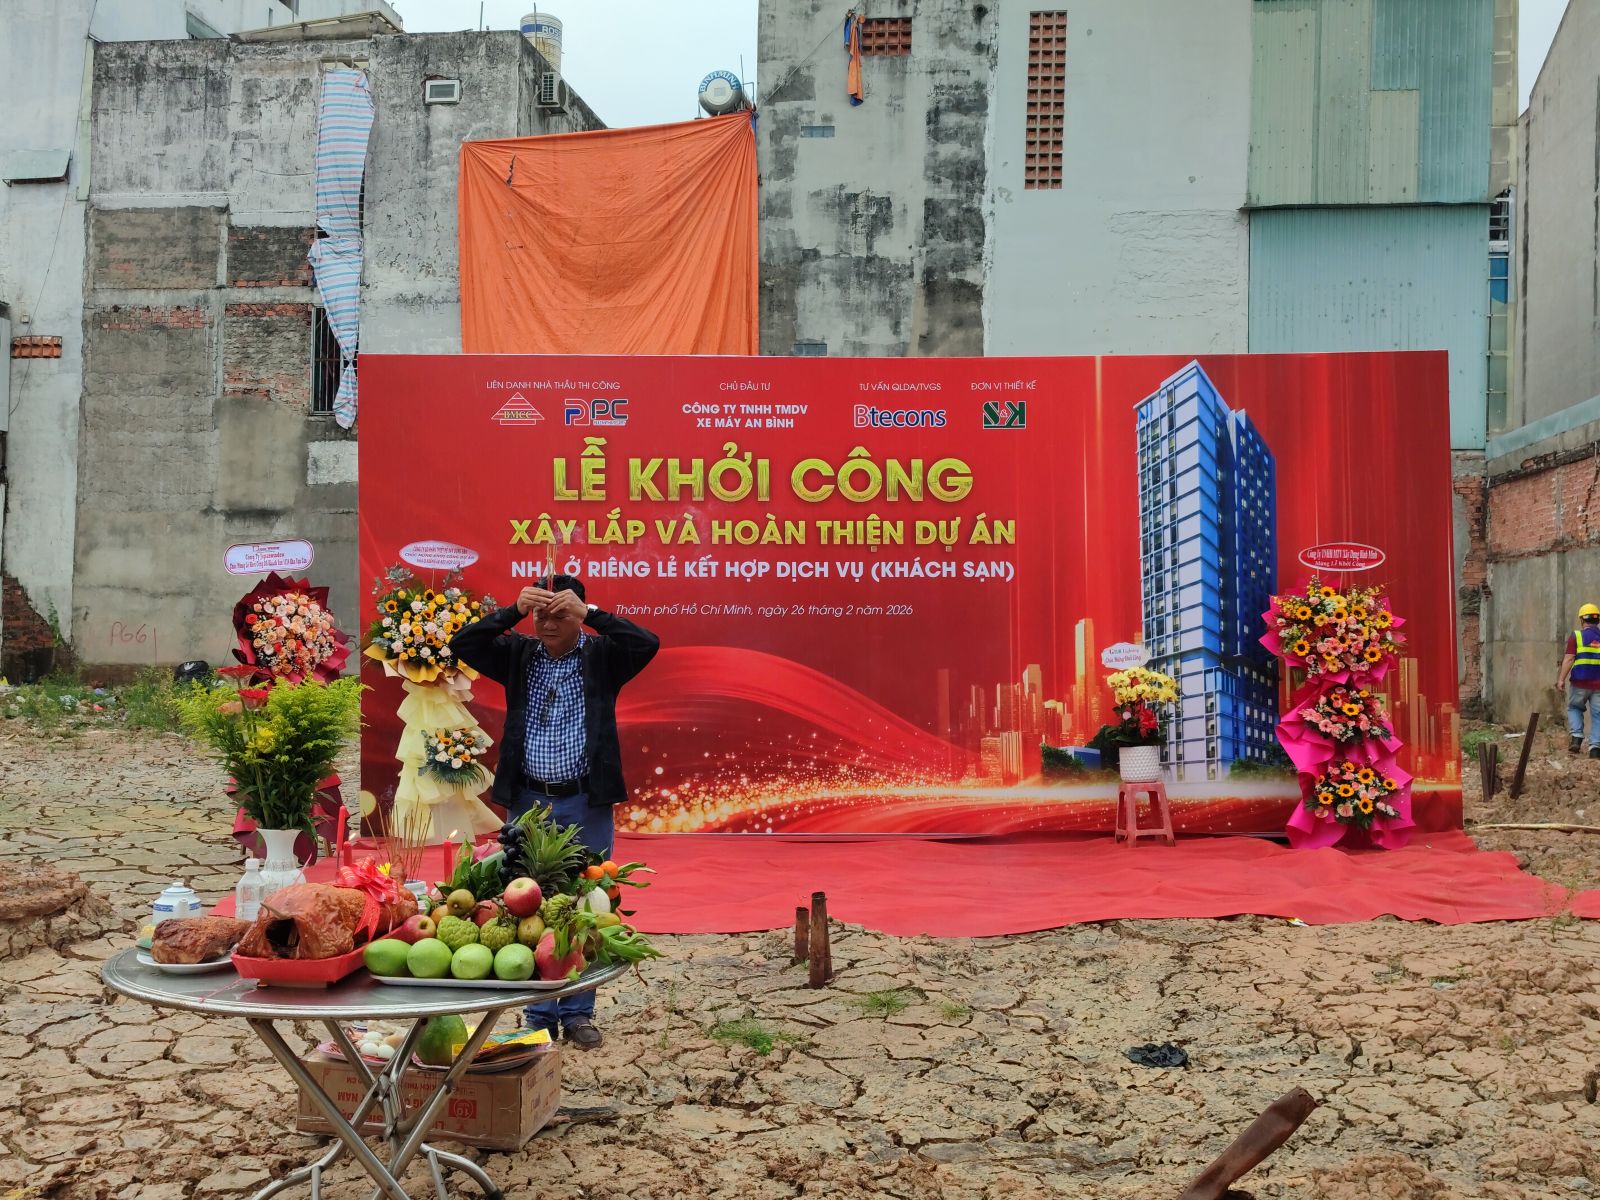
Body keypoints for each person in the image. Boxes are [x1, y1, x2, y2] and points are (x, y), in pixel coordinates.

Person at [449, 575, 659, 1048]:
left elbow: (646, 643)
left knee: (587, 900)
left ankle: (579, 1010)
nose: (547, 623)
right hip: (529, 801)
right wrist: (513, 610)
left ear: (578, 615)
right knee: (527, 902)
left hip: (585, 799)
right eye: (540, 614)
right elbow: (464, 643)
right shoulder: (518, 654)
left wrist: (592, 614)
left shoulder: (602, 656)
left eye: (560, 614)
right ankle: (538, 1012)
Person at [1556, 602, 1600, 758]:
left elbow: (1569, 659)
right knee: (1598, 715)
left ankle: (1576, 737)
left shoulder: (1577, 636)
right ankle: (1595, 748)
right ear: (1597, 620)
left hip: (1579, 683)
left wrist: (1561, 679)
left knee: (1575, 708)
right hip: (1599, 686)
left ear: (1582, 620)